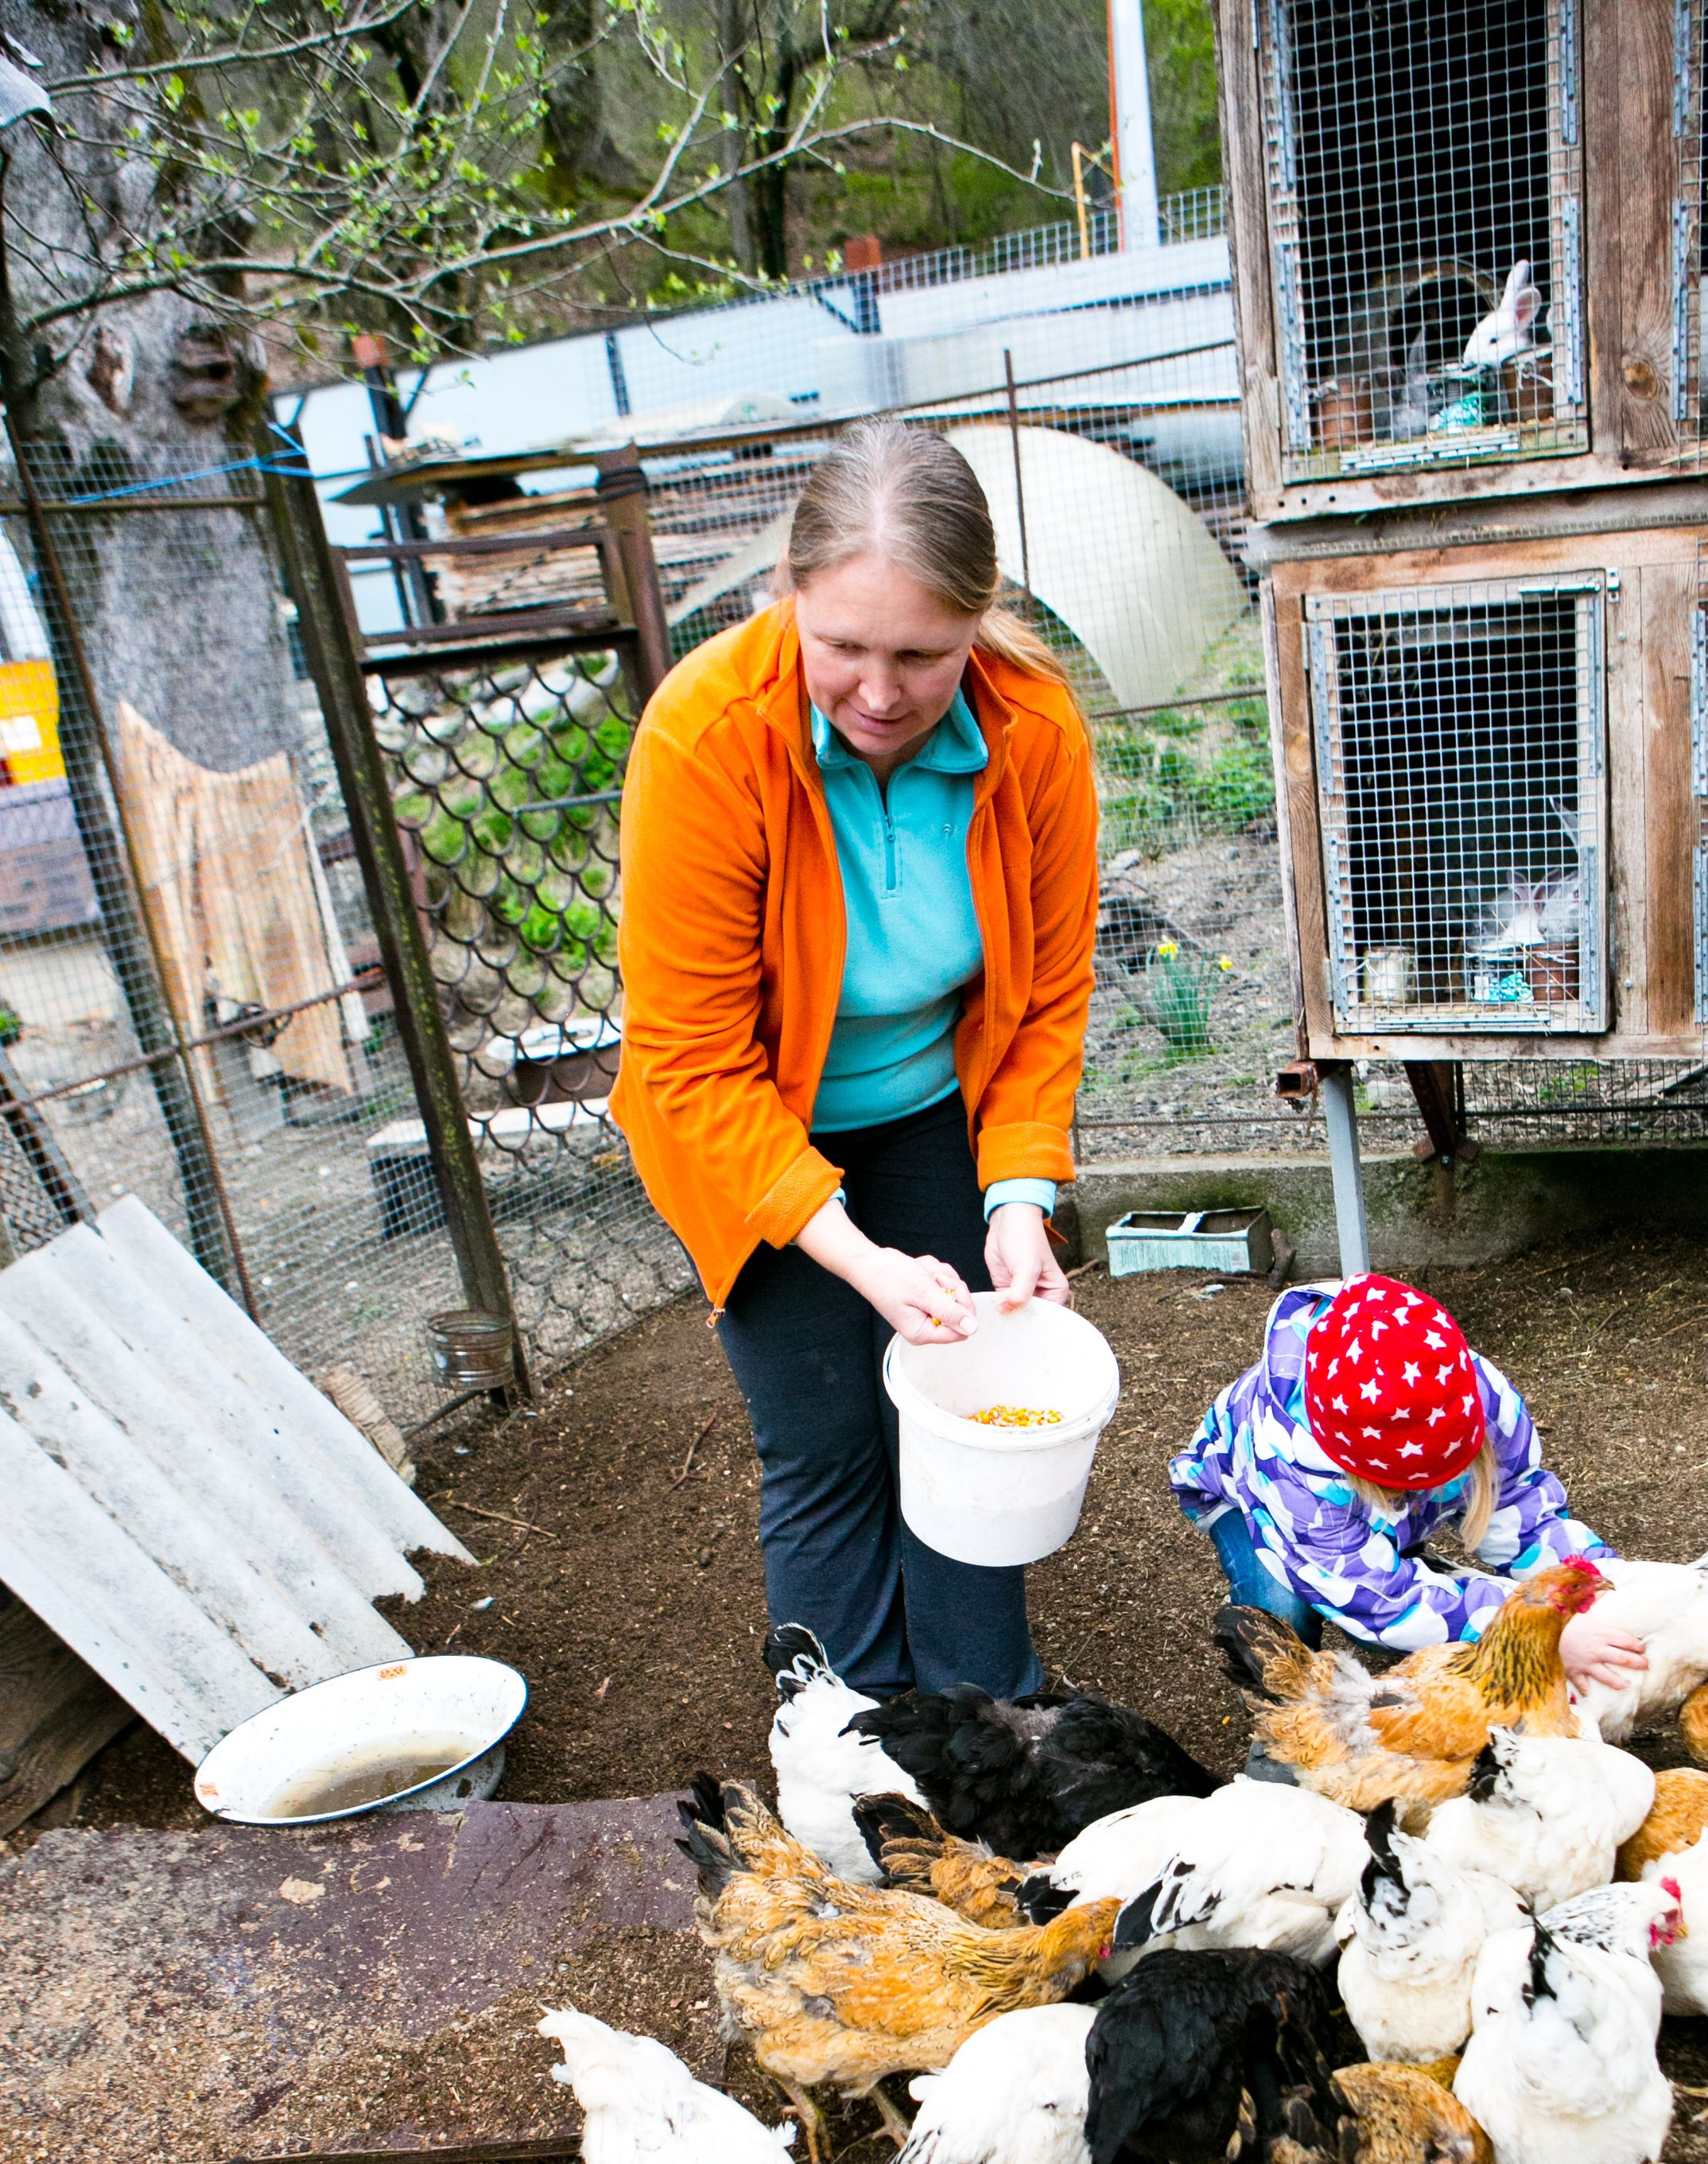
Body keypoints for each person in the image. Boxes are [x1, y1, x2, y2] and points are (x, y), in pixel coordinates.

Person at [611, 420, 1097, 1700]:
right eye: (843, 649)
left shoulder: (1033, 730)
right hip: (749, 1124)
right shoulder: (706, 737)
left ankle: (988, 1719)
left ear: (977, 623)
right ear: (789, 599)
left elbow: (1045, 998)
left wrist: (1017, 1199)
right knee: (827, 1439)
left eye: (922, 656)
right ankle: (852, 1756)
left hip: (932, 1104)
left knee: (964, 1406)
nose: (880, 692)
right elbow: (692, 1058)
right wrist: (861, 1261)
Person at [1169, 1273, 1645, 1690]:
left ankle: (1418, 1574)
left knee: (1416, 1601)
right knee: (1284, 1608)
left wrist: (1595, 1585)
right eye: (1398, 1485)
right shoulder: (1296, 1469)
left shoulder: (1477, 1394)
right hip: (1247, 1498)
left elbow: (1520, 1505)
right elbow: (1374, 1597)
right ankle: (1285, 1719)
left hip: (1363, 1514)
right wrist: (1534, 1629)